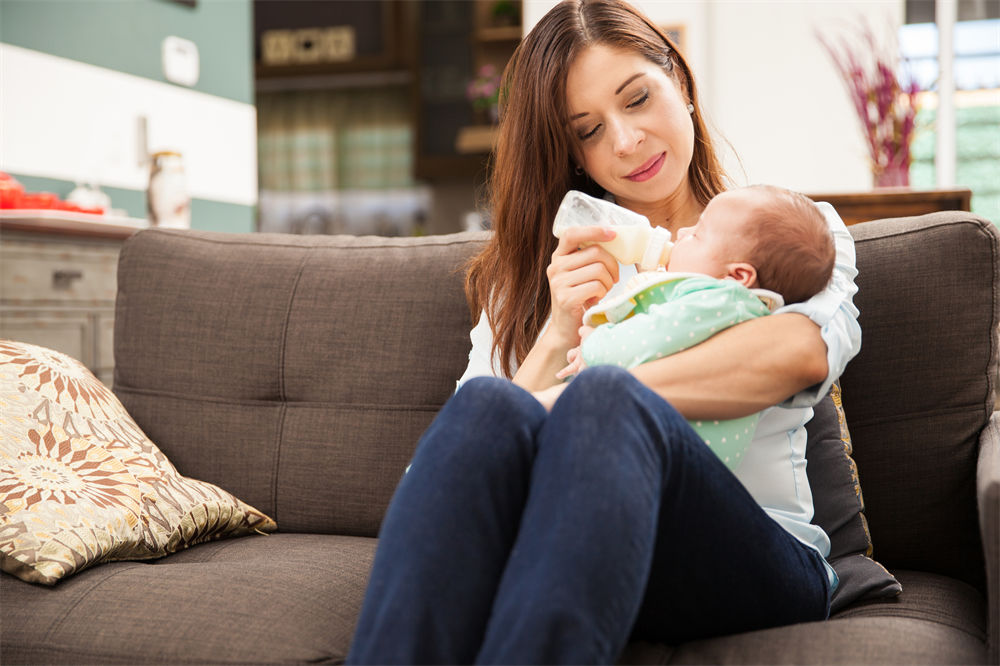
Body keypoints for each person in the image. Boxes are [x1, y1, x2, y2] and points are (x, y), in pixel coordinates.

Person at [347, 0, 861, 663]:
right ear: (573, 156)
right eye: (587, 131)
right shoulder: (535, 279)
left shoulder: (792, 232)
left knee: (608, 399)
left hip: (754, 554)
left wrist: (587, 400)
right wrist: (559, 334)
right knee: (486, 405)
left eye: (638, 98)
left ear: (678, 78)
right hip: (574, 546)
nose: (624, 141)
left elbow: (797, 351)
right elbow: (443, 484)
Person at [558, 184, 836, 469]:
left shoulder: (720, 302)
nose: (680, 234)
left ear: (738, 275)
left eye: (697, 234)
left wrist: (594, 340)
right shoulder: (741, 312)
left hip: (661, 462)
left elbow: (647, 339)